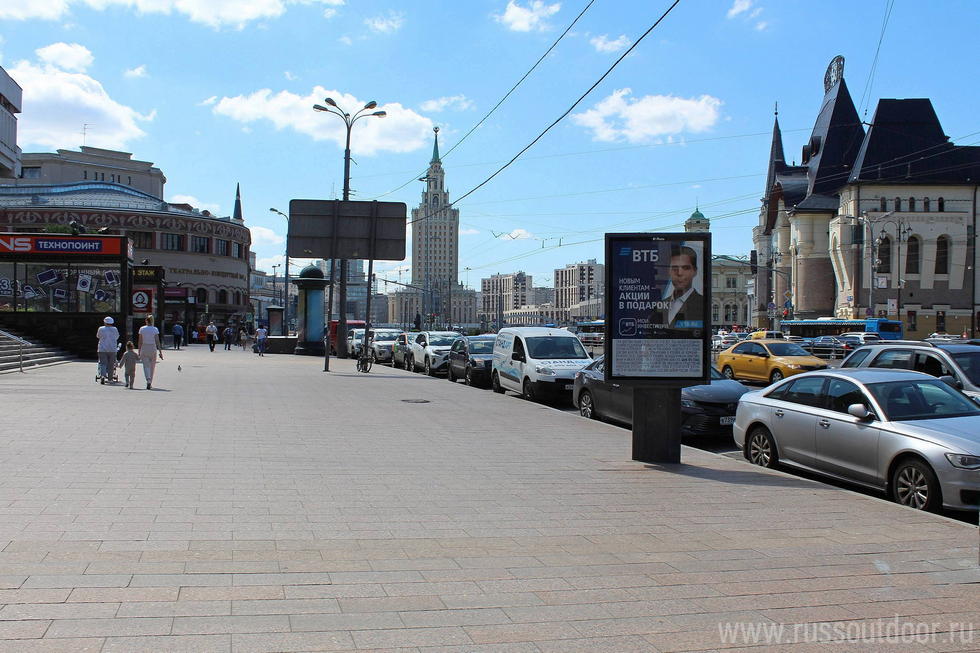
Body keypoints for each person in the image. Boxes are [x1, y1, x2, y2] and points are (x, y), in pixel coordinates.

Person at [649, 245, 704, 329]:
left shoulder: (702, 304)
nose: (679, 273)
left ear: (695, 271)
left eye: (685, 268)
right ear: (669, 271)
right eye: (674, 268)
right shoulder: (658, 306)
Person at [137, 314, 164, 389]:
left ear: (146, 321)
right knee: (152, 366)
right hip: (152, 347)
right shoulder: (155, 329)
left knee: (146, 366)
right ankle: (150, 382)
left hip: (144, 347)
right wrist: (160, 352)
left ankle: (148, 379)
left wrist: (139, 351)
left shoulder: (142, 329)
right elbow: (157, 341)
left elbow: (140, 341)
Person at [96, 316, 119, 384]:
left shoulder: (101, 328)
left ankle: (102, 376)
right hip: (112, 349)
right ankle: (110, 378)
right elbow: (117, 337)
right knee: (111, 364)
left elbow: (98, 336)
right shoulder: (115, 329)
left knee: (103, 363)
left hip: (102, 348)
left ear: (105, 322)